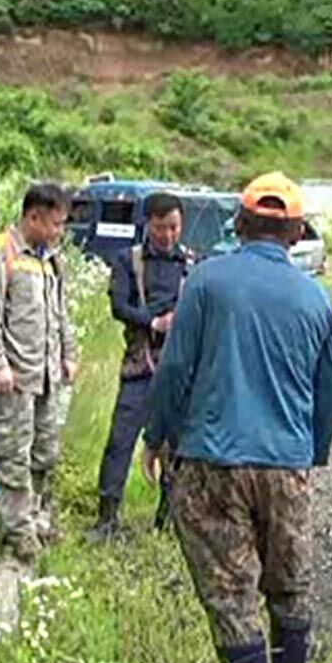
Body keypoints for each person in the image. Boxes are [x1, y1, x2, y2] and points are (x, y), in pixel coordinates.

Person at [144, 172, 332, 663]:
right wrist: (309, 454)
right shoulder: (317, 300)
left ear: (239, 224)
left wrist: (157, 435)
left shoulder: (207, 281)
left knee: (233, 600)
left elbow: (175, 368)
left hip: (212, 462)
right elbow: (331, 394)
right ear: (298, 232)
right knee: (290, 587)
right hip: (287, 464)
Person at [0, 184, 79, 565]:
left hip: (47, 377)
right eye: (55, 223)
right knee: (12, 453)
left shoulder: (51, 260)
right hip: (13, 379)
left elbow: (62, 312)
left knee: (44, 452)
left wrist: (70, 354)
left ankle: (35, 517)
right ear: (33, 217)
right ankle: (18, 532)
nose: (59, 231)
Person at [90, 192, 193, 540]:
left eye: (175, 228)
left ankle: (167, 520)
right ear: (148, 224)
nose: (168, 236)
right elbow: (119, 306)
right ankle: (106, 519)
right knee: (121, 438)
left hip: (179, 370)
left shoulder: (191, 265)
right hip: (139, 365)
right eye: (162, 228)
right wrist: (153, 322)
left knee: (176, 445)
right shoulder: (127, 260)